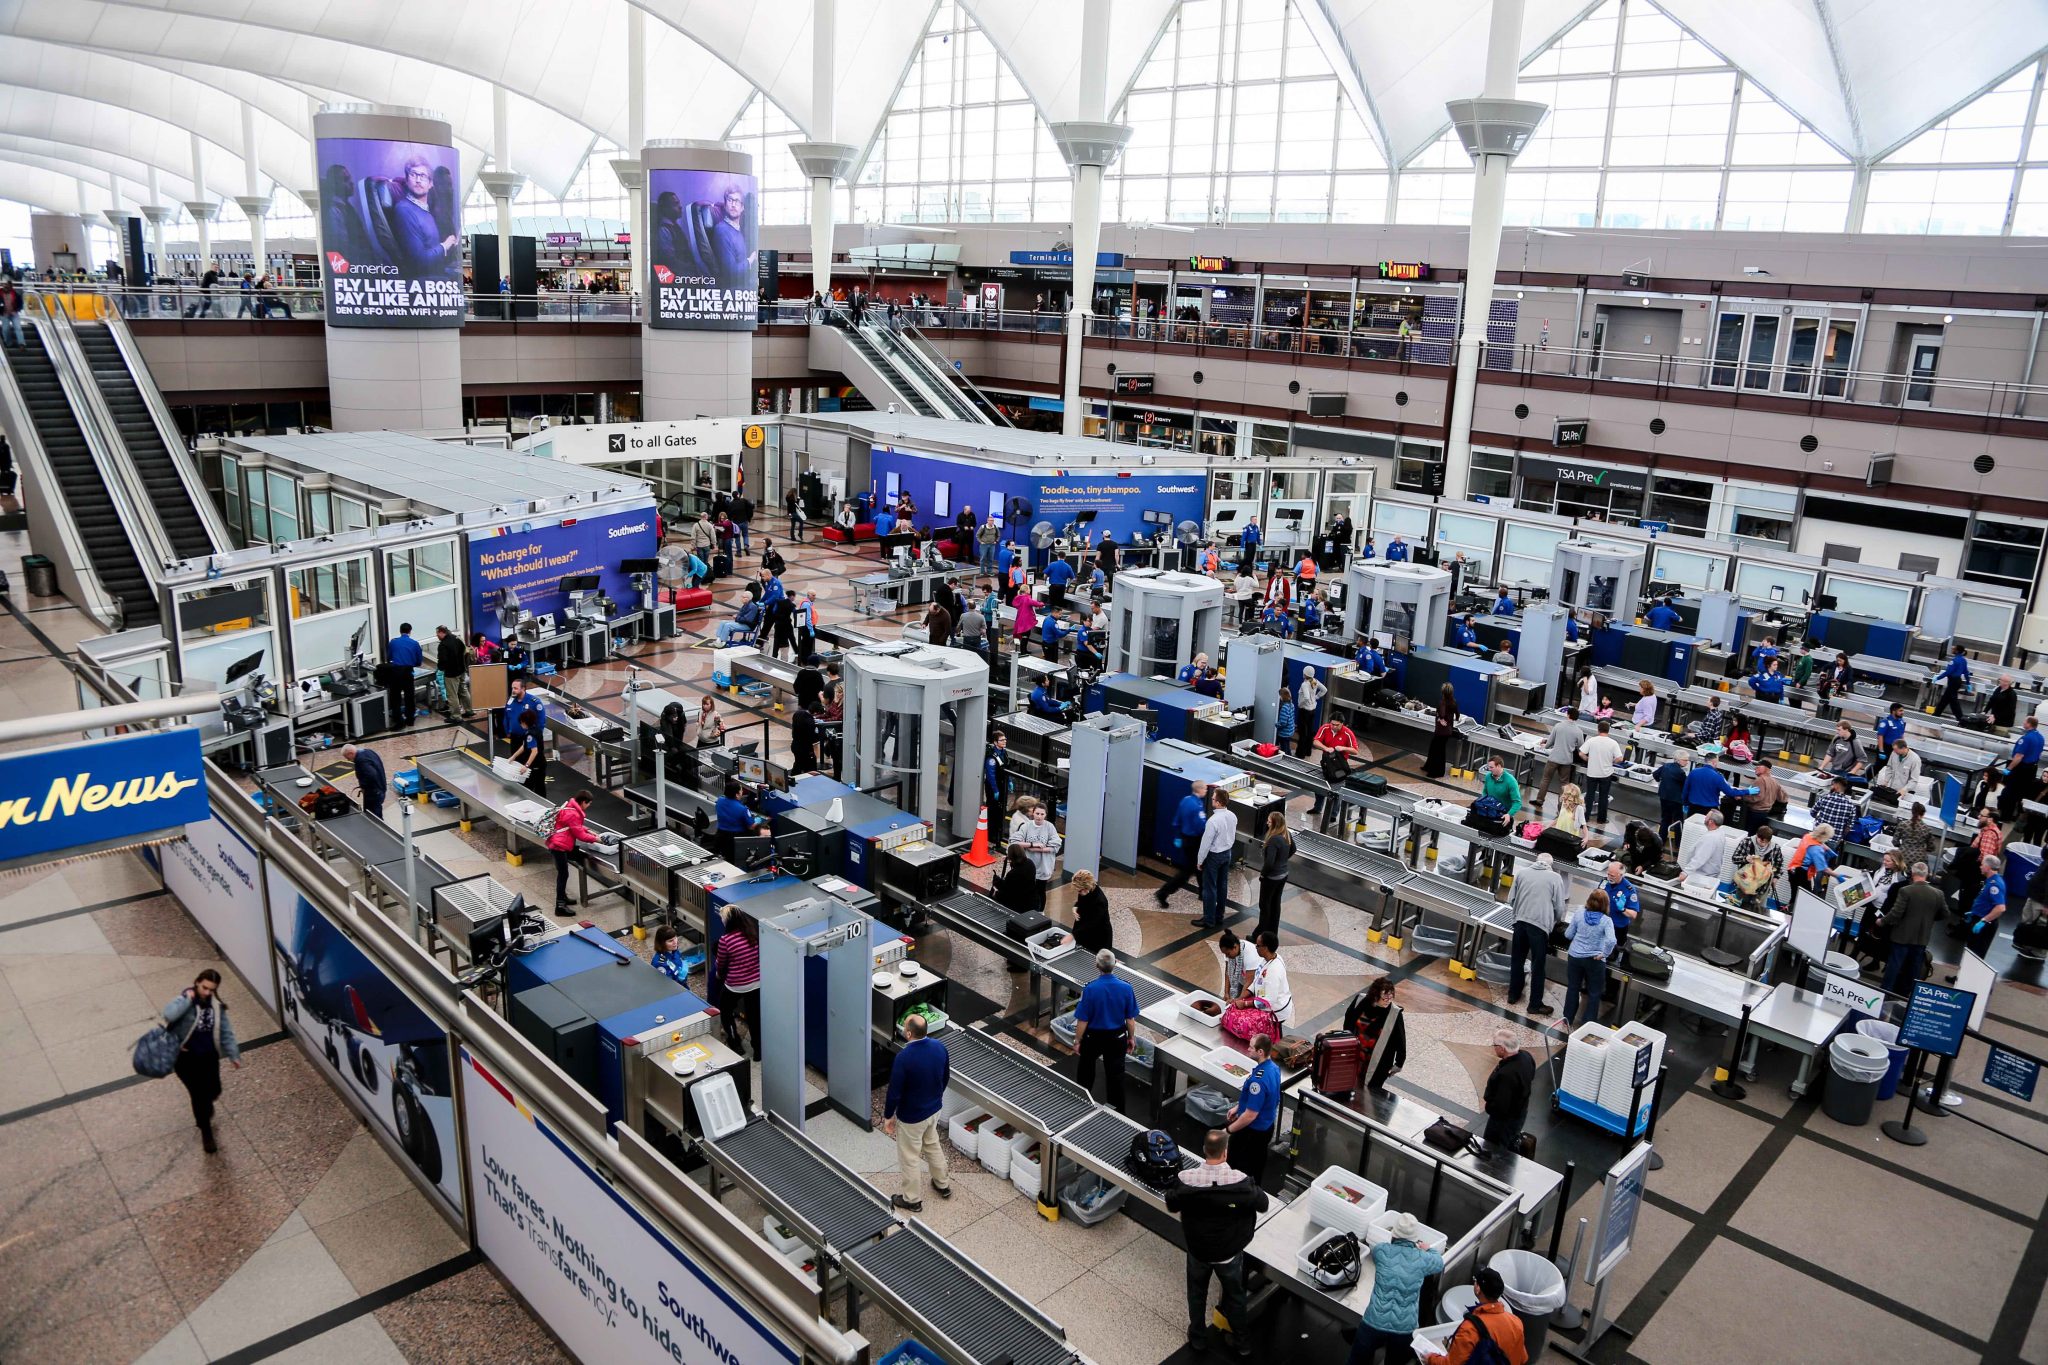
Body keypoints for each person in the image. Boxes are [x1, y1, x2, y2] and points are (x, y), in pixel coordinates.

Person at [1164, 1129, 1266, 1361]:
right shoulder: (1241, 1182)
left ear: (1204, 1150)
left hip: (1198, 1249)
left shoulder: (1186, 1180)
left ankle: (1198, 1338)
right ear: (1225, 1152)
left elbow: (1172, 1202)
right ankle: (1242, 1342)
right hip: (1229, 1253)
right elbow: (1262, 1203)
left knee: (1197, 1293)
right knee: (1236, 1296)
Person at [160, 968, 243, 1154]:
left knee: (214, 1090)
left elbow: (226, 1031)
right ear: (197, 982)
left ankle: (206, 1106)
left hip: (209, 1056)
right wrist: (187, 1000)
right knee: (198, 1095)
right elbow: (168, 1015)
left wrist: (233, 1054)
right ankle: (206, 1130)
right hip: (185, 1059)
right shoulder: (183, 1000)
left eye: (211, 989)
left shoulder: (216, 1006)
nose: (207, 992)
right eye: (204, 987)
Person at [1347, 1211, 1446, 1365]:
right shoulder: (1423, 1259)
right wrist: (1428, 1249)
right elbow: (1439, 1263)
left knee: (1357, 1361)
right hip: (1405, 1328)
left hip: (1374, 1321)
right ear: (1415, 1239)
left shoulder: (1380, 1251)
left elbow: (1382, 1252)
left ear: (1393, 1234)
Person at [882, 1013, 953, 1212]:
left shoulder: (904, 1058)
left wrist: (889, 1116)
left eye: (905, 1027)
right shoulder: (940, 1047)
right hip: (934, 1110)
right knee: (932, 1145)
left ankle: (912, 1199)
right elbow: (946, 1076)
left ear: (909, 1033)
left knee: (910, 1156)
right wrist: (936, 1097)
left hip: (912, 1117)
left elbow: (894, 1092)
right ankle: (943, 1184)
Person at [1073, 949, 1142, 1109]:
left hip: (1093, 1038)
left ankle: (1081, 1104)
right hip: (1117, 1037)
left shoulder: (1090, 989)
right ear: (1115, 963)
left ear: (1096, 965)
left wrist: (1078, 1041)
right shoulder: (1126, 988)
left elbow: (1083, 1020)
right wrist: (1131, 1038)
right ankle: (1117, 1111)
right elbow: (1130, 1019)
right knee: (1116, 1077)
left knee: (1086, 1071)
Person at [1420, 1267, 1528, 1365]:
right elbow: (1522, 1358)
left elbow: (1452, 1363)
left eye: (1475, 1281)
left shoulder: (1470, 1329)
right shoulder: (1516, 1321)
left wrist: (1431, 1359)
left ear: (1478, 1289)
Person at [1506, 852, 1565, 1015]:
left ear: (1536, 862)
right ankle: (1534, 1004)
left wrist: (1521, 912)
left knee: (1517, 959)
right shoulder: (1555, 878)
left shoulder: (1522, 873)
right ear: (1550, 865)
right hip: (1539, 927)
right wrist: (1555, 922)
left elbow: (1511, 899)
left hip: (1519, 923)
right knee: (1538, 966)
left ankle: (1513, 994)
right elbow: (1559, 907)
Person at [1224, 1033, 1283, 1184]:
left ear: (1260, 1052)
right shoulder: (1273, 1069)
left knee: (1241, 1168)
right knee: (1257, 1165)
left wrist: (1229, 1130)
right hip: (1266, 1126)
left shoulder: (1259, 1081)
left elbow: (1250, 1115)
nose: (1248, 1049)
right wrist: (1238, 1107)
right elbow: (1265, 1098)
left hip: (1252, 1131)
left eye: (1251, 1047)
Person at [1880, 861, 1945, 993]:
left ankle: (1885, 992)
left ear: (1913, 873)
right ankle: (1906, 994)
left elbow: (1896, 913)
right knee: (1914, 968)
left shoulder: (1906, 891)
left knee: (1895, 965)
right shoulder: (1938, 894)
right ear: (1927, 874)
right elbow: (1945, 914)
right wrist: (1929, 919)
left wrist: (1882, 921)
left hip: (1902, 936)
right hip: (1921, 938)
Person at [1561, 892, 1617, 1027]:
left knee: (1573, 988)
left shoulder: (1579, 913)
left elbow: (1568, 934)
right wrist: (1604, 954)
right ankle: (1588, 1024)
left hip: (1575, 957)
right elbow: (1611, 940)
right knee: (1594, 993)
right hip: (1594, 960)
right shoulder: (1606, 921)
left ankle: (1567, 1018)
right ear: (1605, 904)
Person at [713, 910, 763, 1059]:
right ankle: (758, 1051)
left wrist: (718, 975)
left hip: (735, 984)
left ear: (728, 921)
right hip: (756, 983)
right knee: (754, 1017)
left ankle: (735, 1043)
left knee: (726, 1010)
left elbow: (721, 964)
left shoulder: (726, 940)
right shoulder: (753, 933)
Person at [547, 790, 605, 915]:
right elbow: (580, 835)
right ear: (583, 802)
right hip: (559, 846)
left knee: (563, 873)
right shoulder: (574, 814)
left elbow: (574, 826)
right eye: (588, 803)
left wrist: (589, 830)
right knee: (563, 875)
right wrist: (596, 839)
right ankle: (560, 906)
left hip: (557, 843)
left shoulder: (570, 807)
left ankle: (563, 898)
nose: (589, 806)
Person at [1344, 975, 1406, 1091]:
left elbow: (1400, 1040)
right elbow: (1348, 1020)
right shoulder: (1360, 1001)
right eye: (1385, 998)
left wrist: (1398, 1064)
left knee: (1369, 1093)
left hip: (1378, 1064)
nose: (1388, 1001)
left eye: (1391, 997)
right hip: (1355, 1055)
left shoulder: (1395, 1014)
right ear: (1375, 995)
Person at [1157, 778, 1211, 907]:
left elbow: (1176, 821)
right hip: (1195, 841)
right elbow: (1201, 826)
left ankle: (1203, 892)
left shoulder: (1185, 801)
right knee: (1188, 871)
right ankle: (1163, 893)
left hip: (1185, 838)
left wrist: (1178, 836)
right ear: (1199, 789)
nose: (1206, 791)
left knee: (1200, 866)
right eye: (1205, 788)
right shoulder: (1197, 806)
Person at [1481, 1029, 1535, 1151]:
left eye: (1495, 1045)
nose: (1494, 1048)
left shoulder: (1507, 1074)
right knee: (1510, 1140)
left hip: (1503, 1121)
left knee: (1494, 1148)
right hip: (1519, 1112)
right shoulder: (1526, 1057)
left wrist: (1489, 1107)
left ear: (1502, 1048)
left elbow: (1501, 1105)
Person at [1196, 786, 1238, 930]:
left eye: (1213, 798)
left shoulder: (1213, 821)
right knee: (1222, 885)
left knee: (1210, 888)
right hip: (1227, 853)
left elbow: (1205, 844)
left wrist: (1200, 861)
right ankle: (1219, 916)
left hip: (1214, 856)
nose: (1212, 800)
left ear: (1219, 802)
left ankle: (1208, 920)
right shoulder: (1232, 816)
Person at [1532, 706, 1587, 814]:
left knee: (1546, 779)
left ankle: (1539, 800)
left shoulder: (1558, 726)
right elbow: (1581, 747)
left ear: (1568, 715)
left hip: (1553, 758)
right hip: (1567, 761)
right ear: (1577, 718)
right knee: (1564, 784)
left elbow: (1550, 742)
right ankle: (1561, 807)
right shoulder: (1579, 731)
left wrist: (1545, 745)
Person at [1242, 932, 1295, 1036]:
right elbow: (1257, 980)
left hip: (1276, 1010)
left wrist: (1245, 1004)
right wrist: (1241, 997)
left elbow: (1267, 1001)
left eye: (1258, 945)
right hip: (1266, 1000)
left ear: (1265, 948)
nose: (1255, 947)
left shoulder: (1273, 971)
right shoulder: (1270, 958)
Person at [1013, 800, 1063, 910]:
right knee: (1027, 889)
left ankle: (1040, 912)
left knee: (1041, 890)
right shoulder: (1026, 826)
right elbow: (1015, 841)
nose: (1039, 817)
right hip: (1029, 866)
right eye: (1037, 813)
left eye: (1042, 814)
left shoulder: (1050, 827)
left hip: (1043, 866)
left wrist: (1036, 849)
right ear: (1033, 813)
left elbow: (1055, 845)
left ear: (1045, 815)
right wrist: (1033, 845)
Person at [1258, 811, 1294, 941]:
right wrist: (1282, 861)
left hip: (1271, 878)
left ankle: (1260, 934)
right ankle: (1273, 932)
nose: (1267, 822)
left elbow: (1269, 863)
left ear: (1274, 823)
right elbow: (1293, 849)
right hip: (1283, 875)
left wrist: (1263, 874)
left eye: (1268, 820)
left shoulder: (1273, 840)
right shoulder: (1286, 834)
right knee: (1275, 904)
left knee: (1265, 905)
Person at [2002, 716, 2043, 823]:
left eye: (2025, 721)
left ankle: (2006, 816)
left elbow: (2019, 756)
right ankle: (2017, 816)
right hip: (2032, 769)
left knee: (2010, 793)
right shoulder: (2040, 737)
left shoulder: (2026, 739)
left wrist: (2009, 768)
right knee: (2022, 793)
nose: (2023, 723)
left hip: (2021, 769)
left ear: (2029, 724)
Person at [1966, 854, 2009, 950]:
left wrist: (1984, 920)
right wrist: (1975, 912)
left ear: (1988, 867)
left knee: (1975, 954)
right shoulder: (1989, 880)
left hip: (1985, 924)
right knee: (1969, 950)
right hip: (1978, 918)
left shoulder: (1995, 884)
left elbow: (2000, 908)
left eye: (1982, 864)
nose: (1980, 866)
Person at [385, 622, 424, 725]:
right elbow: (419, 661)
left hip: (395, 672)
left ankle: (397, 720)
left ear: (400, 631)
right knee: (409, 696)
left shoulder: (393, 642)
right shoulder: (415, 644)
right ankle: (410, 719)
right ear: (410, 631)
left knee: (395, 696)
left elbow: (389, 658)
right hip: (407, 672)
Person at [432, 624, 473, 720]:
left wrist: (440, 669)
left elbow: (443, 660)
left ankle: (456, 716)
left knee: (452, 694)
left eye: (437, 634)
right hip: (462, 670)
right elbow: (465, 651)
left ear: (442, 632)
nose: (437, 636)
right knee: (463, 690)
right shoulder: (457, 638)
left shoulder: (443, 645)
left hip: (451, 673)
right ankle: (469, 710)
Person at [1070, 869, 1113, 955]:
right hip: (1085, 933)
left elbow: (1092, 923)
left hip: (1098, 939)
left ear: (1086, 887)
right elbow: (1082, 901)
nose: (1078, 893)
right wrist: (1076, 906)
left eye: (1079, 891)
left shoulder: (1100, 902)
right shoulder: (1085, 891)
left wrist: (1073, 935)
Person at [343, 743, 387, 821]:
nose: (348, 760)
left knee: (374, 816)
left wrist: (363, 785)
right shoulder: (368, 751)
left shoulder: (361, 760)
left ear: (351, 753)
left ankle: (377, 830)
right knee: (374, 813)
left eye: (348, 758)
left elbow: (372, 774)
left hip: (374, 792)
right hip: (380, 787)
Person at [1654, 752, 1690, 845]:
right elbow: (1686, 786)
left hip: (1664, 797)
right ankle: (1678, 843)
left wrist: (1660, 780)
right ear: (1678, 760)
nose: (1687, 762)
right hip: (1676, 800)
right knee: (1678, 821)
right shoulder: (1680, 772)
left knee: (1665, 819)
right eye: (1685, 760)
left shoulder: (1666, 766)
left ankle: (1661, 840)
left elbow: (1655, 774)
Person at [1427, 683, 1459, 779]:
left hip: (1441, 731)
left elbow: (1442, 713)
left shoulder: (1443, 702)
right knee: (1436, 748)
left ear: (1443, 692)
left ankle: (1435, 772)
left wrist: (1441, 718)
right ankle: (1428, 766)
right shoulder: (1454, 702)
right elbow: (1457, 714)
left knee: (1437, 751)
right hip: (1448, 731)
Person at [512, 710, 548, 799]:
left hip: (536, 765)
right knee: (540, 786)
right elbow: (524, 745)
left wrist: (526, 765)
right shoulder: (536, 729)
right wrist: (513, 756)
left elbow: (534, 751)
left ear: (524, 722)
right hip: (541, 763)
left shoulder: (530, 735)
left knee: (535, 787)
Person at [1479, 754, 1523, 823]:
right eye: (1489, 767)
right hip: (1489, 811)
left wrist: (1509, 814)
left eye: (1491, 767)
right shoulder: (1488, 776)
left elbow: (1517, 802)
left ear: (1499, 766)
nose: (1489, 770)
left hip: (1503, 815)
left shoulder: (1511, 781)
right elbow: (1485, 792)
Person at [1935, 644, 1971, 725]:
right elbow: (1966, 672)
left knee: (1953, 700)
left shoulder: (1954, 661)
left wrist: (1938, 678)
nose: (1952, 649)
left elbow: (1948, 672)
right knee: (1945, 699)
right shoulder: (1963, 660)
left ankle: (1961, 719)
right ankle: (1936, 715)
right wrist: (1968, 683)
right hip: (1958, 681)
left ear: (1957, 651)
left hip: (1953, 681)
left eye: (1954, 649)